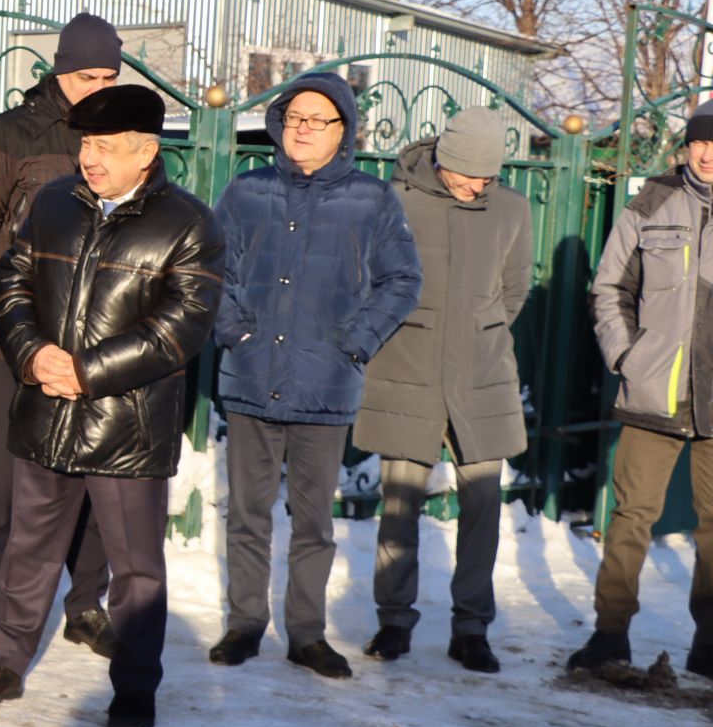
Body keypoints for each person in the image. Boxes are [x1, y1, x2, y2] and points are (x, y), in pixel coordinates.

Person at [0, 86, 223, 727]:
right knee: (28, 548)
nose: (88, 158)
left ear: (147, 151)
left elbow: (178, 329)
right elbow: (12, 283)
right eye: (83, 144)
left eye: (104, 146)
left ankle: (135, 686)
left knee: (135, 570)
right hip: (46, 409)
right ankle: (2, 663)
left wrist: (86, 371)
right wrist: (33, 355)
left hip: (126, 427)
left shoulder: (190, 226)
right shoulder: (53, 203)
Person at [210, 71, 421, 679]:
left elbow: (402, 280)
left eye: (318, 120)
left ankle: (306, 632)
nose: (303, 129)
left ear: (343, 130)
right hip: (251, 378)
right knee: (247, 513)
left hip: (324, 389)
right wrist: (237, 332)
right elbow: (209, 270)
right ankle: (244, 622)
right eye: (294, 117)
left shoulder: (371, 198)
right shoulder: (247, 191)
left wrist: (352, 345)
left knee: (313, 523)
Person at [0, 13, 122, 662]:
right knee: (4, 485)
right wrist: (19, 307)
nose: (98, 87)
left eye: (109, 75)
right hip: (23, 347)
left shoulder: (122, 136)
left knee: (95, 483)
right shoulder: (15, 132)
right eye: (86, 76)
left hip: (100, 348)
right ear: (60, 69)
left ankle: (84, 606)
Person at [353, 108, 530, 674]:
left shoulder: (511, 208)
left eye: (487, 176)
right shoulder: (394, 201)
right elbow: (370, 279)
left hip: (482, 374)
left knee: (483, 505)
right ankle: (393, 621)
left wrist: (479, 330)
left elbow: (513, 291)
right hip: (408, 365)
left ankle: (471, 628)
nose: (478, 185)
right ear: (444, 158)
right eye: (468, 174)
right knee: (399, 502)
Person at [568, 98, 713, 680]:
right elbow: (609, 290)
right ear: (688, 146)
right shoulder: (650, 203)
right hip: (656, 393)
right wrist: (628, 356)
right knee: (631, 517)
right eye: (701, 142)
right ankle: (610, 635)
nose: (708, 155)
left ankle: (709, 644)